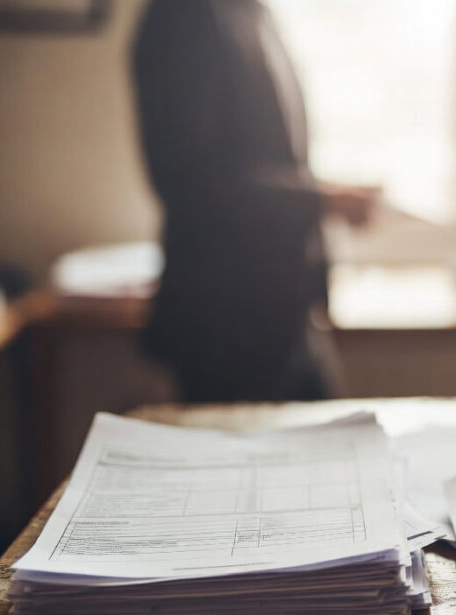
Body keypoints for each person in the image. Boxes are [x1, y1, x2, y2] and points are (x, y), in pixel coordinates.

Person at [131, 0, 375, 402]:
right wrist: (320, 201)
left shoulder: (254, 12)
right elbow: (191, 183)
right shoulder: (183, 17)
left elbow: (266, 155)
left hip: (289, 310)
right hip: (224, 321)